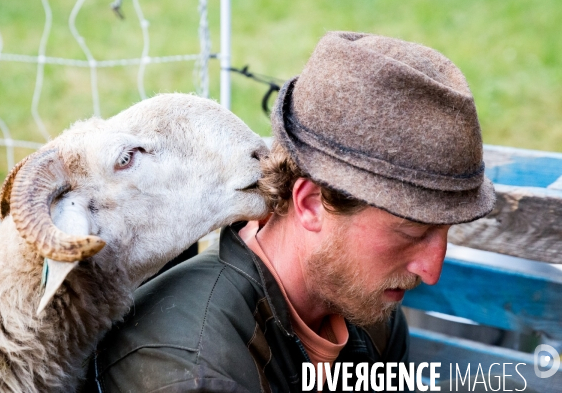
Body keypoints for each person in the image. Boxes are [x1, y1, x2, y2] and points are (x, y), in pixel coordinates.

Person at [84, 32, 496, 392]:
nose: (432, 270)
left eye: (446, 231)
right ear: (311, 204)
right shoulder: (191, 372)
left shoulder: (368, 309)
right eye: (411, 231)